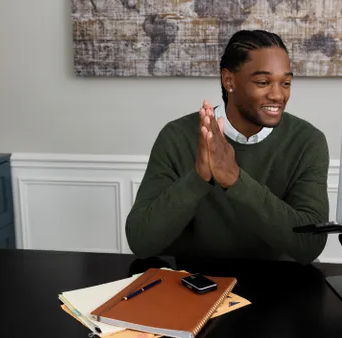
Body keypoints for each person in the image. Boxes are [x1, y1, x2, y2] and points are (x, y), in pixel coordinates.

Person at [126, 29, 330, 264]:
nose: (278, 95)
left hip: (280, 285)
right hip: (195, 286)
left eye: (286, 83)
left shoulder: (307, 142)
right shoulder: (177, 136)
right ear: (229, 80)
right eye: (263, 82)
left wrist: (235, 180)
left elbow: (310, 245)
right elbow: (140, 241)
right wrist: (198, 178)